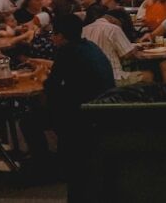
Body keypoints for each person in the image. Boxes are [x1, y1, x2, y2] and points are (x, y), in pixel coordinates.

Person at [42, 14, 115, 201]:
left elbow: (52, 86)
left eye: (53, 34)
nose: (51, 38)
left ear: (61, 36)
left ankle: (47, 169)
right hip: (103, 109)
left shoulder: (67, 51)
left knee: (32, 119)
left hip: (82, 116)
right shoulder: (89, 46)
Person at [81, 11, 153, 86]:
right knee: (148, 75)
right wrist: (136, 48)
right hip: (112, 77)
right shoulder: (114, 28)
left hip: (89, 79)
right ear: (115, 20)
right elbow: (127, 55)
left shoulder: (84, 30)